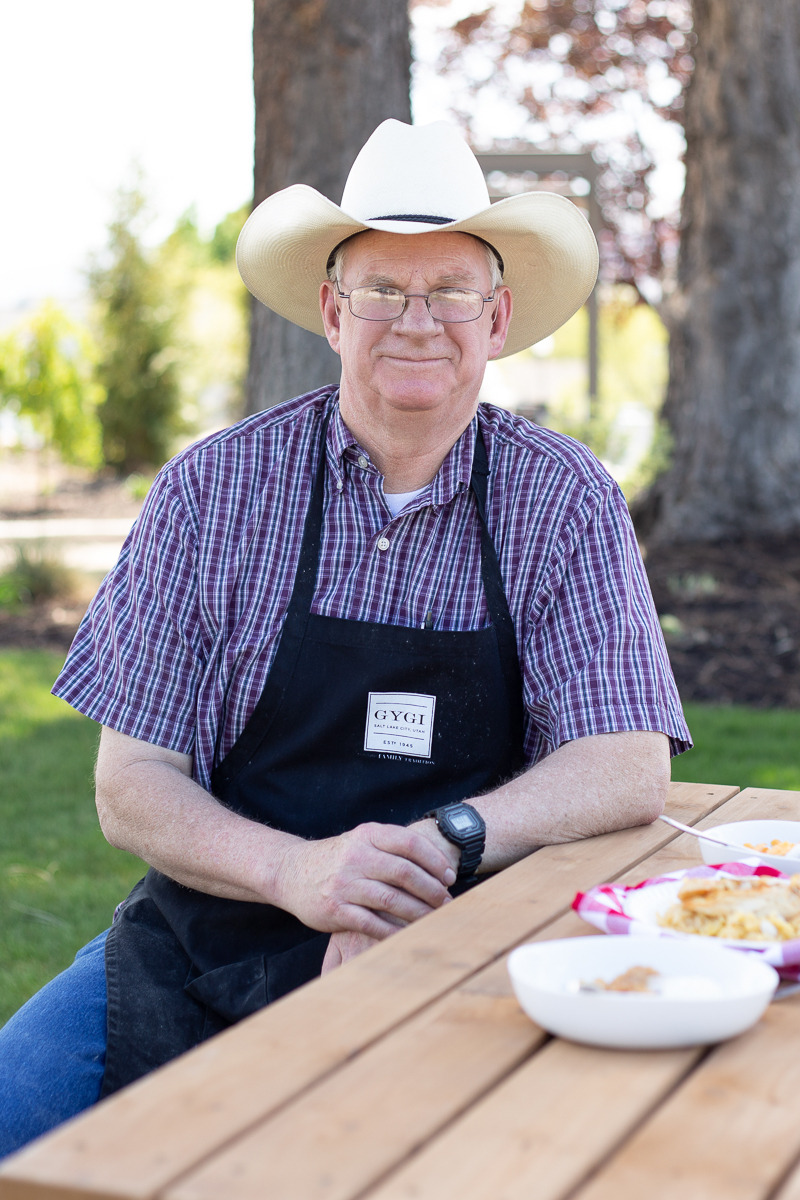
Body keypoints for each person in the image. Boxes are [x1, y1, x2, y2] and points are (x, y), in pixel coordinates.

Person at [0, 120, 690, 1155]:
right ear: (332, 311)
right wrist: (300, 877)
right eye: (381, 290)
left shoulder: (563, 500)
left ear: (496, 319)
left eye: (450, 291)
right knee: (18, 1125)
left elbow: (625, 762)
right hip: (212, 930)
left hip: (465, 939)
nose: (417, 321)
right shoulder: (212, 491)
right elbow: (130, 781)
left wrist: (433, 850)